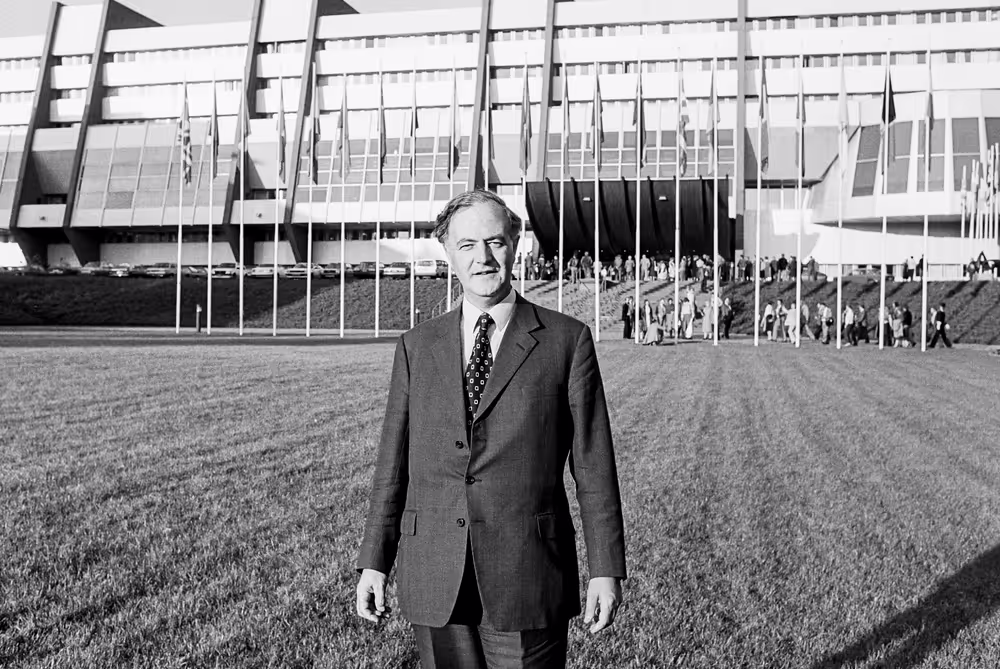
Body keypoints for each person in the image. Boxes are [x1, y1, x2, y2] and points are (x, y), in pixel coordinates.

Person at [356, 190, 627, 668]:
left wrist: (605, 570)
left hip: (528, 575)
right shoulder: (417, 347)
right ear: (448, 254)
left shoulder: (567, 341)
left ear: (515, 243)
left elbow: (593, 466)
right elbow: (392, 466)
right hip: (437, 572)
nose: (482, 258)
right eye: (466, 246)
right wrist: (375, 560)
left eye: (494, 242)